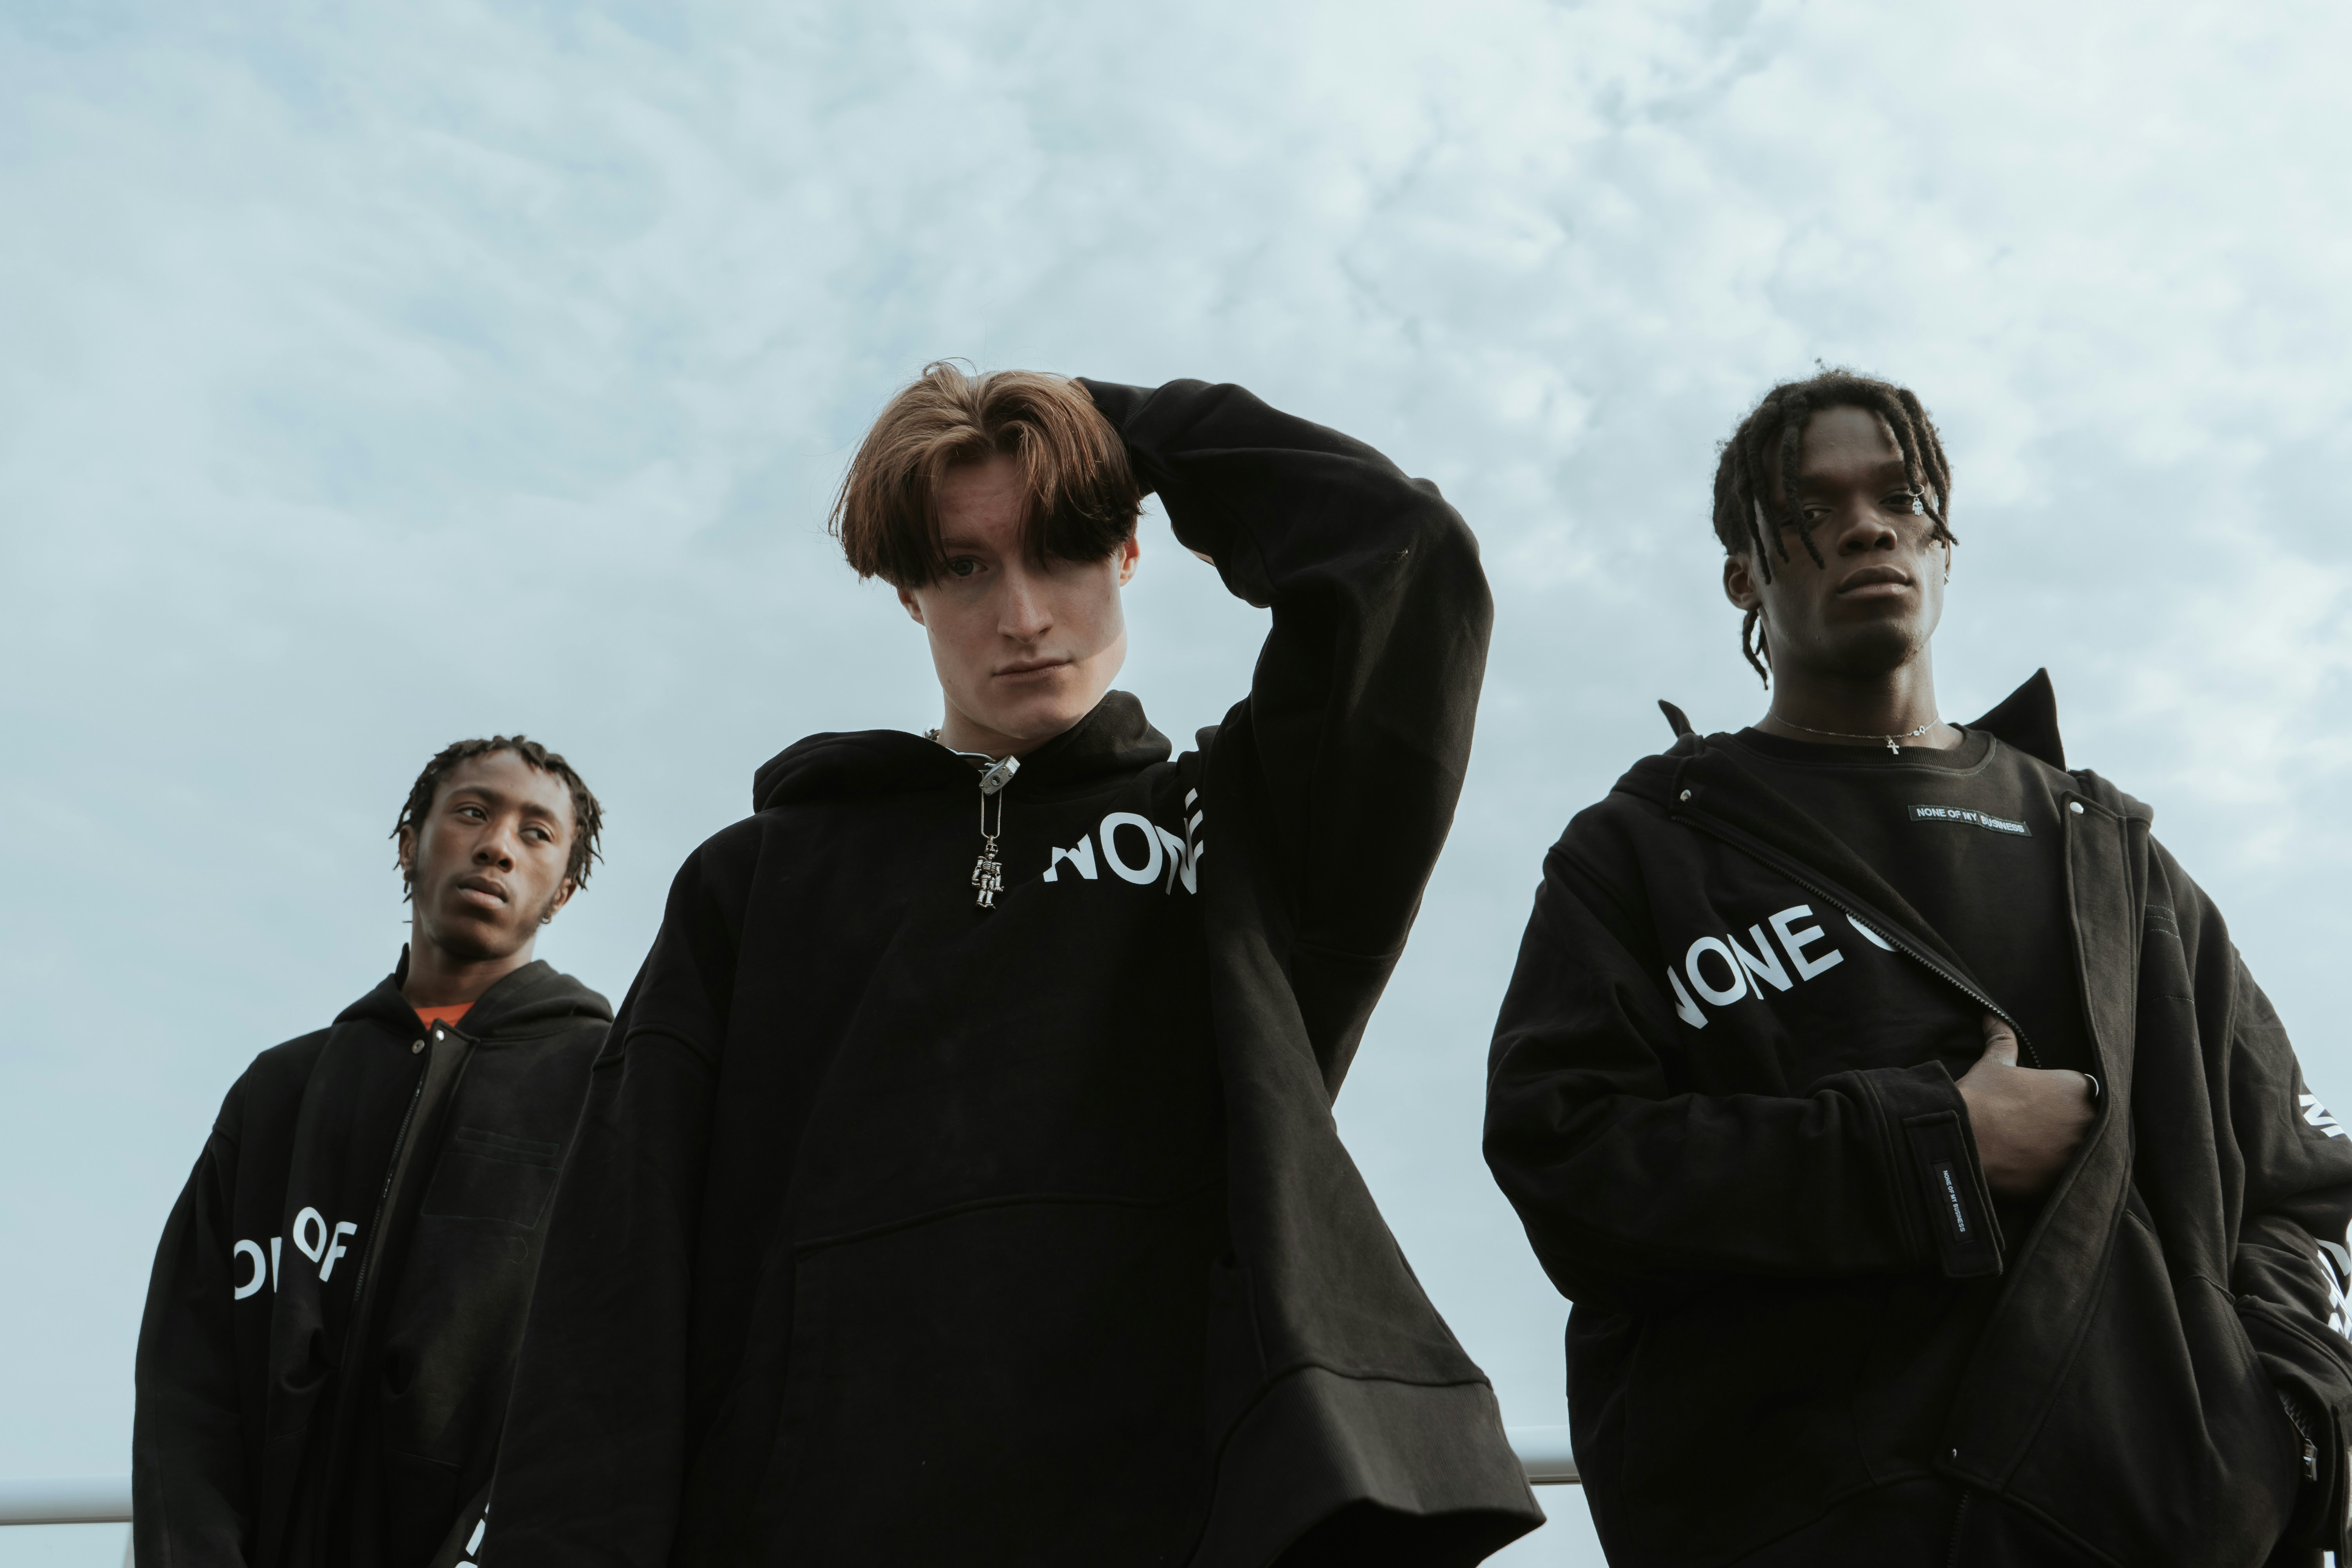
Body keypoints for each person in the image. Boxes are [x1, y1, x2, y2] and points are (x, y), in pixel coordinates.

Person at [483, 367, 1541, 1566]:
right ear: (909, 593)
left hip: (1183, 1522)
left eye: (1064, 547)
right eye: (966, 567)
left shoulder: (1248, 835)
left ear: (1129, 550)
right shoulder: (759, 881)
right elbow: (615, 1274)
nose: (1025, 615)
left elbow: (1407, 556)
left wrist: (1104, 422)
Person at [1483, 368, 2352, 1567]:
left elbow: (2299, 1186)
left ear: (1945, 546)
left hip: (2154, 1533)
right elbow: (1565, 1160)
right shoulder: (1646, 853)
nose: (1866, 528)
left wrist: (2286, 1425)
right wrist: (1931, 1148)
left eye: (1901, 499)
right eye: (1811, 508)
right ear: (1743, 575)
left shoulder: (2112, 858)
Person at [133, 737, 613, 1568]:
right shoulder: (281, 1090)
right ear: (409, 842)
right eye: (472, 812)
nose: (497, 845)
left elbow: (613, 1375)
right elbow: (188, 1377)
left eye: (537, 833)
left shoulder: (606, 1088)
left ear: (564, 889)